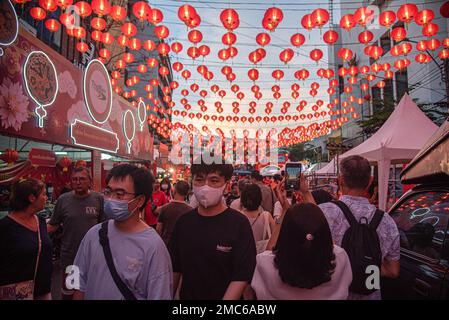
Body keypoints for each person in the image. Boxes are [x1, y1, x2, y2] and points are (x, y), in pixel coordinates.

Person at [300, 155, 400, 300]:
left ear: (340, 180)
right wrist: (365, 265)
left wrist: (305, 192)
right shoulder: (387, 221)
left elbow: (313, 218)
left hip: (333, 295)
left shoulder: (326, 212)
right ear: (370, 181)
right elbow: (393, 270)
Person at [73, 164, 172, 300]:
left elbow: (159, 294)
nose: (111, 199)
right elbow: (78, 280)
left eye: (120, 194)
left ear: (139, 200)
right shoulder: (94, 234)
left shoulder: (153, 247)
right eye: (108, 192)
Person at [170, 161, 256, 300]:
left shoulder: (239, 224)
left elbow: (242, 274)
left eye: (214, 180)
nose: (205, 186)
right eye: (199, 180)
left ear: (226, 186)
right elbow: (175, 269)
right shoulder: (183, 223)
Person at [251, 191, 352, 300]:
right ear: (324, 233)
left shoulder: (265, 263)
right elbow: (328, 243)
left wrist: (285, 210)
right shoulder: (340, 258)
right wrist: (306, 193)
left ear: (285, 233)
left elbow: (269, 250)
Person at [47, 166, 104, 300]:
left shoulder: (98, 199)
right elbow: (53, 225)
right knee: (70, 292)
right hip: (70, 257)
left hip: (93, 257)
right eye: (75, 179)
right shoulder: (63, 200)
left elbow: (104, 226)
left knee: (91, 291)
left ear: (90, 181)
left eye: (82, 179)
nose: (78, 182)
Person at [0, 178, 53, 300]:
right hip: (16, 293)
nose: (46, 198)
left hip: (43, 291)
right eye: (44, 194)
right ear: (31, 198)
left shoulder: (40, 222)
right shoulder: (5, 227)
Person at [240, 184, 275, 253]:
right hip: (261, 258)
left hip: (243, 256)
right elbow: (275, 236)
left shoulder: (238, 216)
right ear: (259, 198)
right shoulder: (266, 216)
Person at [156, 180, 192, 247]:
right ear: (187, 193)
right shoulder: (191, 211)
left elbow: (158, 229)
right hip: (183, 245)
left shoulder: (164, 208)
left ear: (174, 191)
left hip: (166, 244)